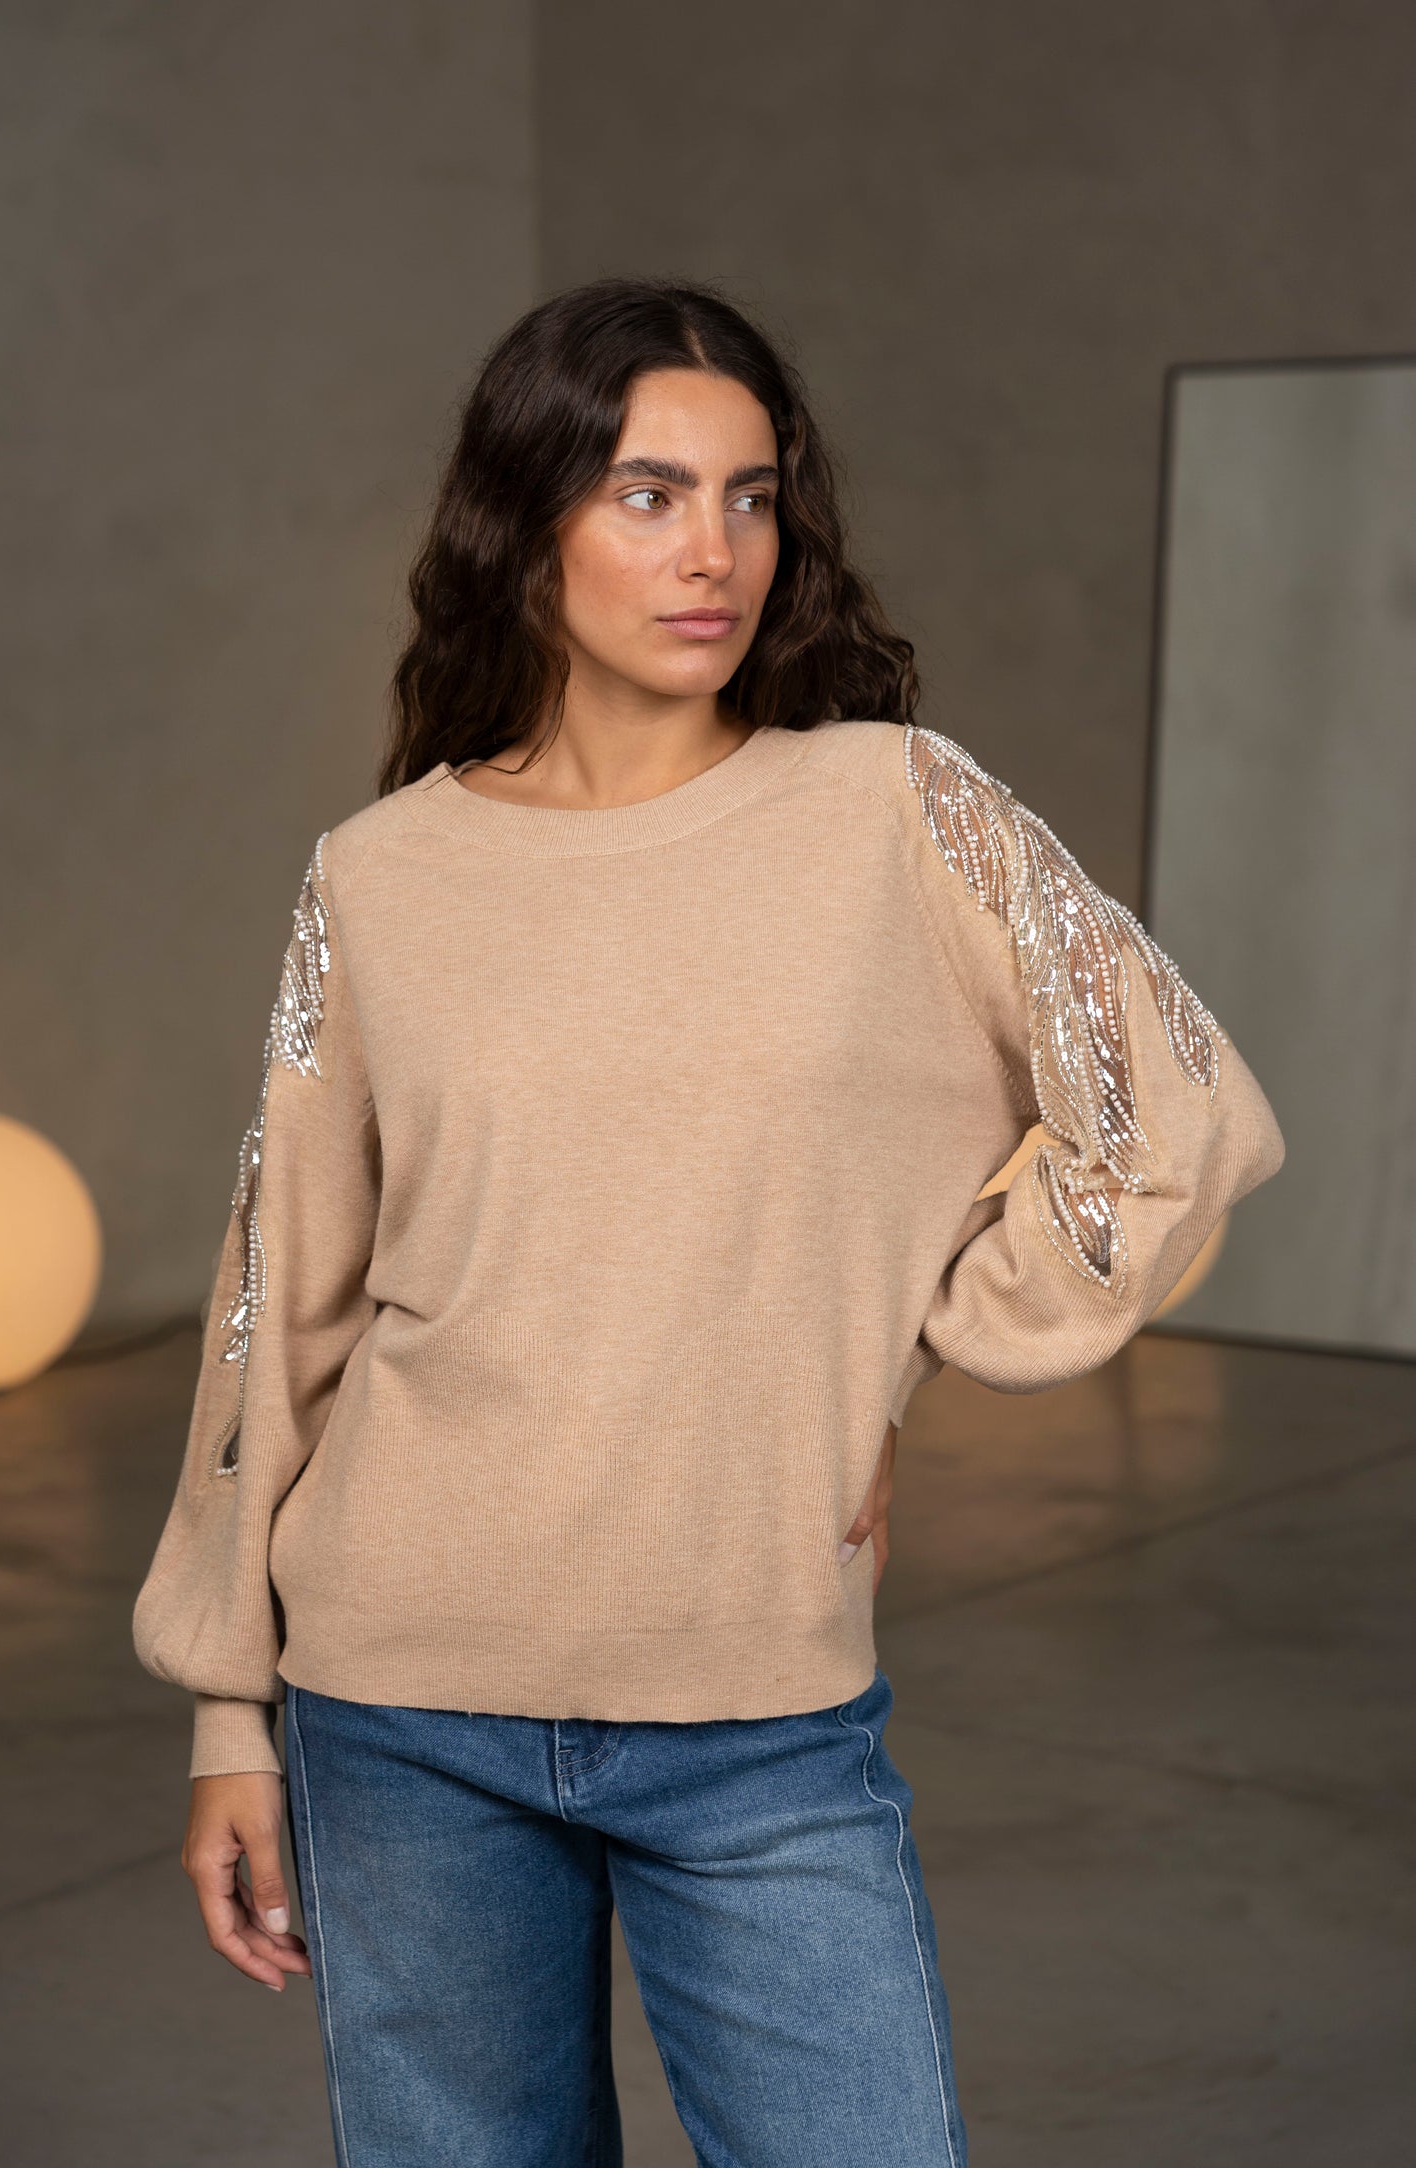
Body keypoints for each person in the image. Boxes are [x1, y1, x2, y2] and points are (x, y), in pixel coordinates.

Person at [133, 274, 1285, 2168]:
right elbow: (281, 1304)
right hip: (395, 1699)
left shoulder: (896, 810)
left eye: (751, 497)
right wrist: (225, 1717)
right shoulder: (381, 875)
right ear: (525, 524)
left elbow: (1179, 1113)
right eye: (649, 494)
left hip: (753, 1703)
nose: (715, 553)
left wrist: (894, 1362)